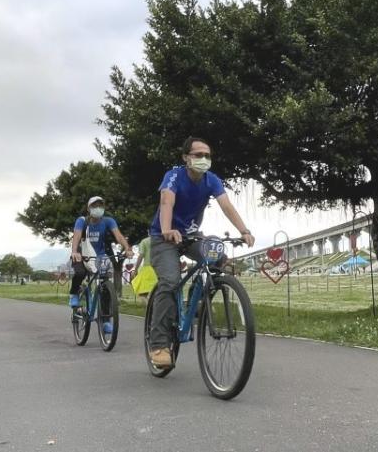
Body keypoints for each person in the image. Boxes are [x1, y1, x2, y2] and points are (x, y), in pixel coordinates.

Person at [147, 137, 255, 368]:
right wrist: (167, 229)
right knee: (170, 281)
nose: (203, 159)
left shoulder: (211, 180)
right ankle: (159, 344)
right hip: (163, 237)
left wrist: (244, 231)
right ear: (186, 157)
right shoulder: (174, 176)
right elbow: (166, 201)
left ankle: (197, 303)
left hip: (191, 236)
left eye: (207, 155)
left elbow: (226, 205)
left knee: (219, 259)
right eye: (198, 155)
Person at [69, 197, 134, 333]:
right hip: (83, 256)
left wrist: (127, 248)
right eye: (94, 205)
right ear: (88, 208)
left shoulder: (108, 221)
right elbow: (76, 236)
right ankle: (74, 294)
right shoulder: (82, 221)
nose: (98, 208)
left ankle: (105, 321)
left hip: (100, 257)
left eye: (100, 205)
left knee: (104, 287)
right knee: (80, 273)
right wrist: (75, 251)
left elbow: (119, 236)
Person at [130, 236, 157, 300]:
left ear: (148, 231)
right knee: (157, 293)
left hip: (148, 269)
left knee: (142, 294)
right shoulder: (161, 240)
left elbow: (141, 255)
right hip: (159, 269)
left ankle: (149, 308)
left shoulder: (144, 241)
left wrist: (135, 269)